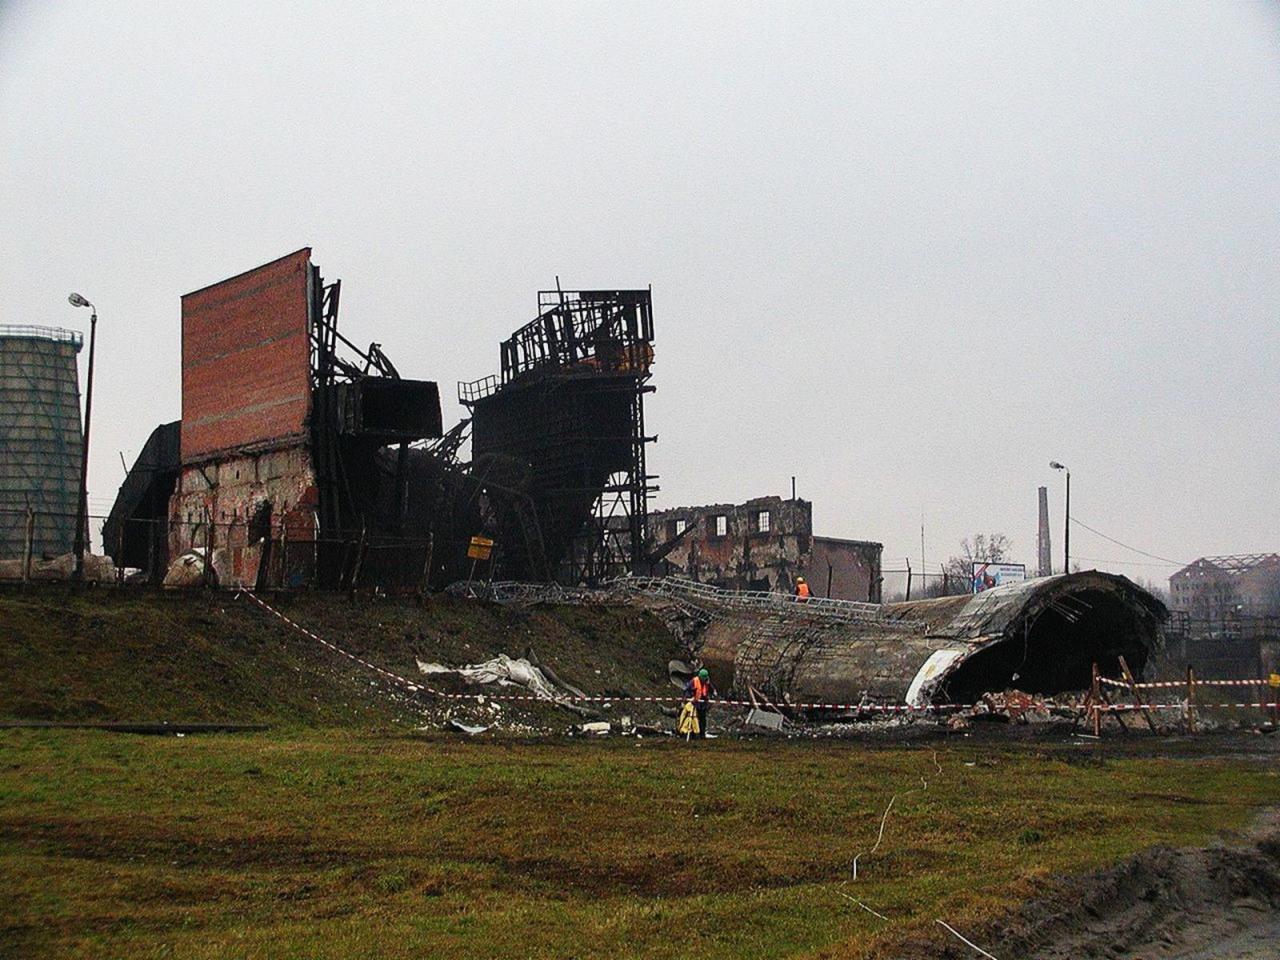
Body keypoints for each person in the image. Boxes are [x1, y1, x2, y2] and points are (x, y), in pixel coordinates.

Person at [683, 667, 715, 739]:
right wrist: (690, 697)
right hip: (695, 703)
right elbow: (687, 690)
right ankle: (693, 734)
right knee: (694, 719)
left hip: (703, 704)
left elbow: (711, 690)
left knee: (703, 720)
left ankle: (702, 734)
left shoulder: (707, 682)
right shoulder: (694, 681)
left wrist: (713, 693)